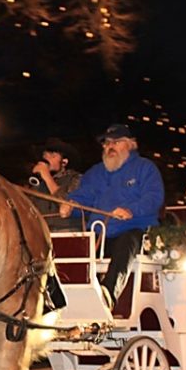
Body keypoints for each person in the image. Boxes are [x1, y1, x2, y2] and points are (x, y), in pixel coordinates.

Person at [59, 123, 164, 308]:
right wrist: (71, 205)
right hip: (99, 234)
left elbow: (154, 197)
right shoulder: (95, 173)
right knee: (71, 247)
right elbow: (83, 197)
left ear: (131, 144)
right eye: (107, 143)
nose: (110, 146)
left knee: (126, 244)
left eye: (116, 142)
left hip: (133, 230)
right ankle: (64, 299)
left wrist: (131, 210)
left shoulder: (145, 168)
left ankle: (107, 297)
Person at [30, 137, 82, 231]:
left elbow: (66, 204)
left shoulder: (75, 178)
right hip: (43, 232)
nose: (47, 158)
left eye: (52, 155)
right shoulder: (38, 184)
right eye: (45, 155)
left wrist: (47, 177)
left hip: (68, 231)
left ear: (64, 162)